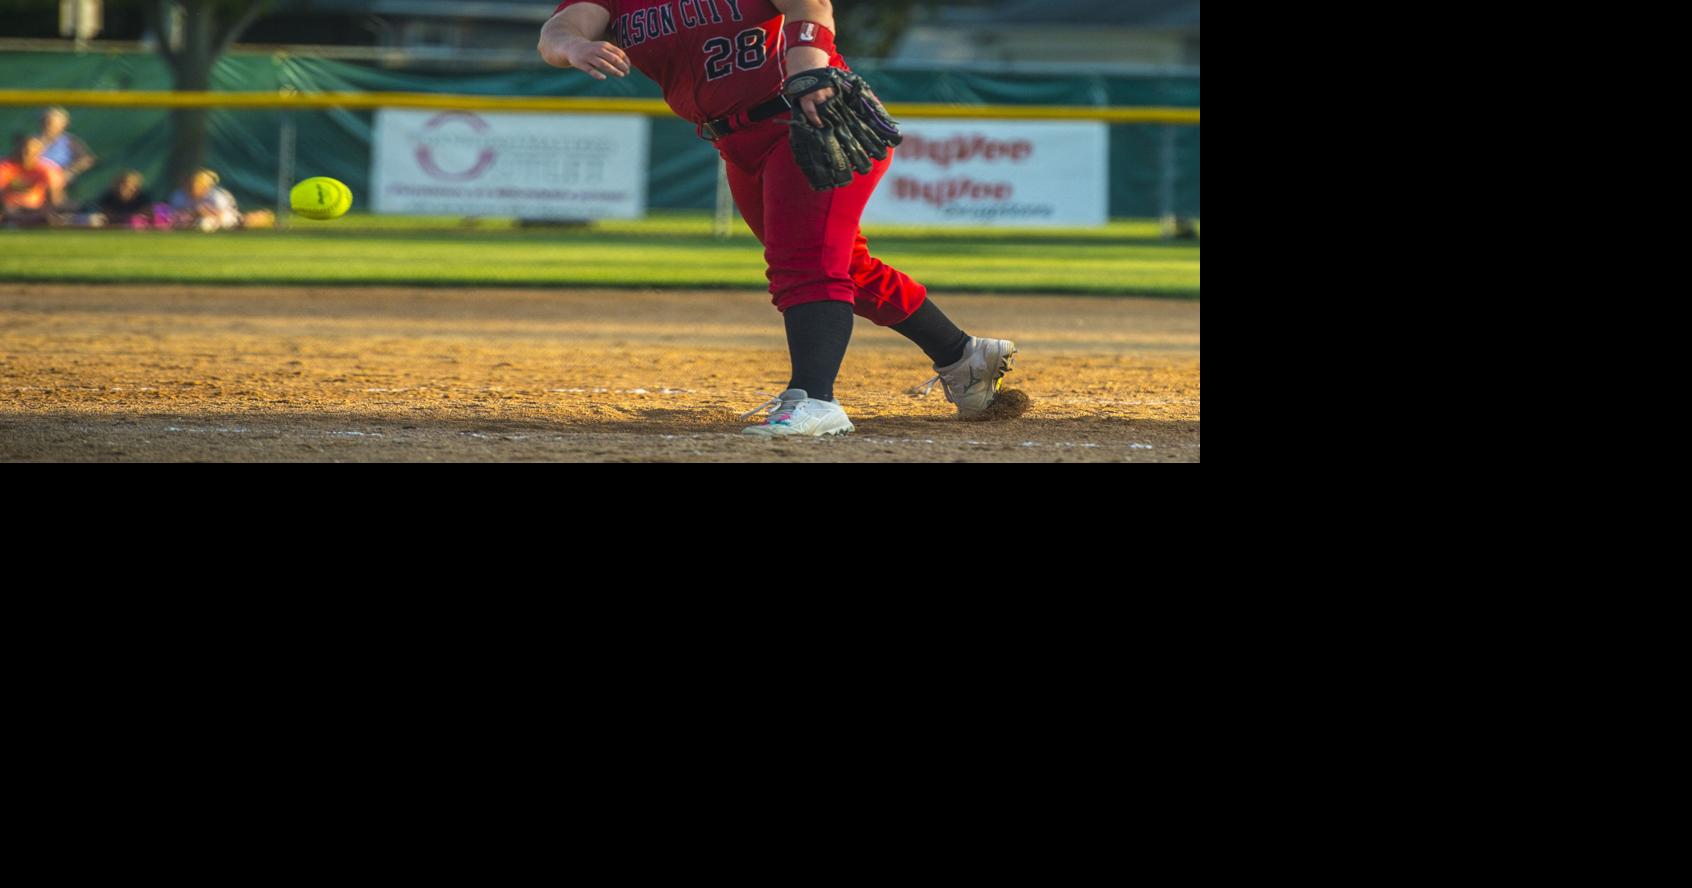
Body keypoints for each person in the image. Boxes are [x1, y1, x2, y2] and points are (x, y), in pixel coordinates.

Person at [539, 0, 1022, 437]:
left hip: (807, 116)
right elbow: (558, 30)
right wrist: (574, 46)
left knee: (806, 264)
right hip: (735, 141)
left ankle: (813, 399)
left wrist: (808, 69)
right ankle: (963, 355)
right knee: (843, 266)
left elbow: (809, 6)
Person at [0, 135, 66, 227]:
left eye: (28, 152)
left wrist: (48, 212)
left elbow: (54, 198)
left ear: (39, 152)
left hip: (36, 210)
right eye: (21, 150)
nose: (24, 155)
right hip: (9, 209)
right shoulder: (4, 167)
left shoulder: (48, 169)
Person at [168, 168, 242, 231]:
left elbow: (223, 215)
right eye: (192, 184)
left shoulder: (217, 196)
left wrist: (204, 211)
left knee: (206, 223)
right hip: (190, 218)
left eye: (199, 184)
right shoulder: (179, 195)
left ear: (206, 187)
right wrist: (193, 212)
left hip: (218, 218)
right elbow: (174, 213)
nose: (194, 187)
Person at [39, 107, 97, 184]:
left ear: (63, 126)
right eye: (47, 122)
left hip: (57, 181)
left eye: (53, 124)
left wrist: (70, 171)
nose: (48, 127)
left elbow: (87, 160)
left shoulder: (69, 141)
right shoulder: (32, 141)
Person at [89, 169, 155, 228]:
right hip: (112, 227)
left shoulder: (143, 197)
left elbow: (146, 213)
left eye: (127, 184)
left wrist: (131, 219)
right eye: (121, 183)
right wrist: (123, 218)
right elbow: (105, 214)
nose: (122, 187)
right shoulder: (109, 196)